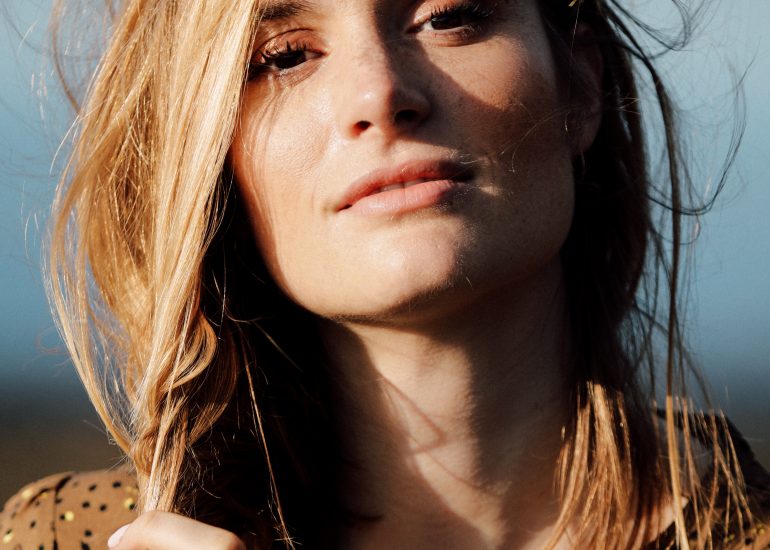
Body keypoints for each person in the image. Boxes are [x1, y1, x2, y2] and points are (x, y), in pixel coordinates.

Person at [1, 0, 768, 548]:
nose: (380, 93)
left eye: (447, 16)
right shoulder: (59, 539)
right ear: (208, 152)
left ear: (580, 87)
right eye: (285, 56)